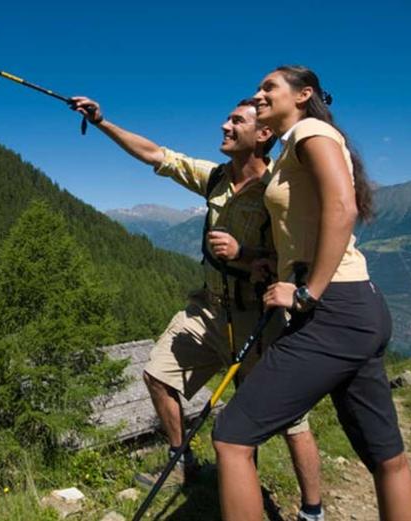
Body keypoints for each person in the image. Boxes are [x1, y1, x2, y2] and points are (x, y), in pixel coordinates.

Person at [71, 96, 324, 521]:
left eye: (236, 121)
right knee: (157, 374)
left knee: (290, 418)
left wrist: (244, 253)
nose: (224, 125)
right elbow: (156, 155)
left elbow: (298, 256)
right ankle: (182, 460)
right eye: (227, 118)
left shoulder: (277, 192)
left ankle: (312, 511)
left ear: (263, 134)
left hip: (256, 316)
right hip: (206, 309)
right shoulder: (215, 178)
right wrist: (102, 122)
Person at [212, 65, 411, 521]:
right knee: (387, 458)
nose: (259, 94)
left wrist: (307, 292)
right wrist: (276, 263)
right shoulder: (293, 149)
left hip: (332, 312)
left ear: (303, 94)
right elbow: (307, 223)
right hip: (359, 307)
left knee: (231, 435)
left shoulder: (310, 131)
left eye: (269, 87)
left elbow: (342, 206)